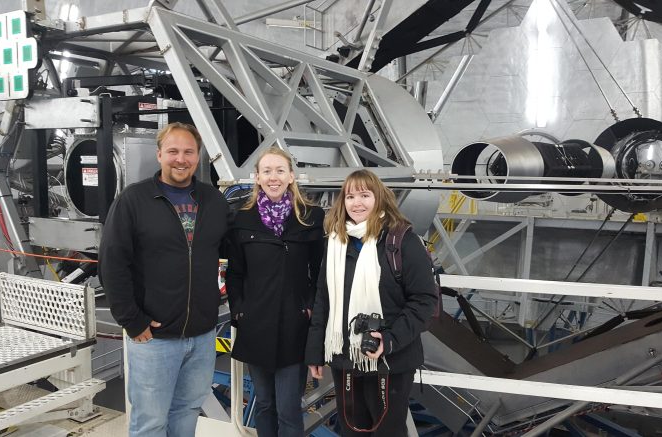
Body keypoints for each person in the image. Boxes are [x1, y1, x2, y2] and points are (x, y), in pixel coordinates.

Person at [99, 122, 228, 437]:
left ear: (198, 157)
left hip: (201, 335)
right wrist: (132, 320)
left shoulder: (213, 201)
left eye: (188, 152)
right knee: (150, 422)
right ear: (159, 154)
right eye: (173, 151)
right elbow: (112, 264)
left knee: (186, 413)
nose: (180, 159)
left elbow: (238, 251)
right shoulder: (134, 200)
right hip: (154, 338)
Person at [305, 169, 437, 436]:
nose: (357, 203)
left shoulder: (401, 241)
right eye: (350, 196)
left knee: (387, 431)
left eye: (365, 195)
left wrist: (388, 340)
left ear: (379, 199)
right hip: (345, 358)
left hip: (390, 361)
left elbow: (424, 301)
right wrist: (315, 352)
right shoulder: (335, 243)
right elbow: (323, 299)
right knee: (352, 430)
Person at [226, 146, 324, 437]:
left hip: (295, 326)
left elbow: (319, 272)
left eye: (280, 170)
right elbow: (235, 272)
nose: (273, 177)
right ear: (256, 177)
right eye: (266, 171)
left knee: (288, 408)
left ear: (291, 176)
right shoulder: (242, 219)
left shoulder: (311, 216)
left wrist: (309, 306)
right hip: (256, 324)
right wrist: (239, 310)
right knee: (265, 404)